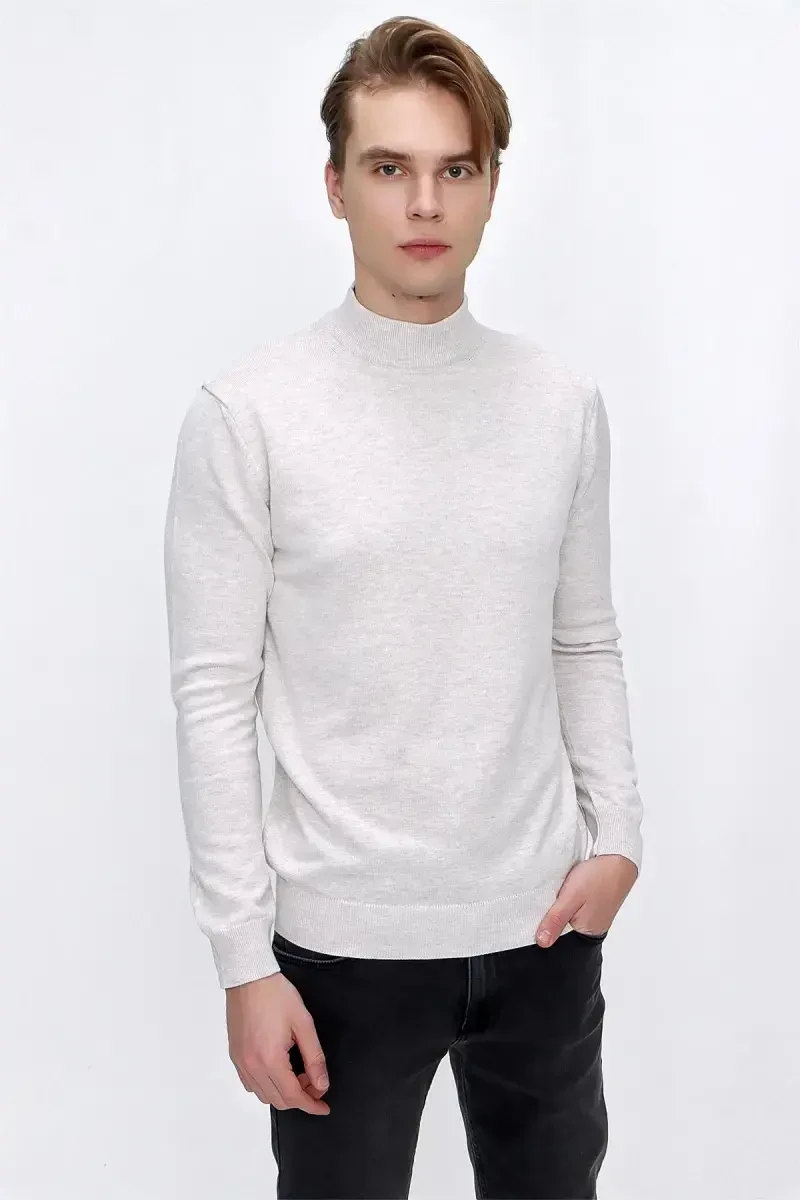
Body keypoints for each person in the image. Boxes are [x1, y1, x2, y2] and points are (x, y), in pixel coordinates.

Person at [163, 14, 643, 1199]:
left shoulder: (558, 403)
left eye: (454, 170)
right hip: (341, 954)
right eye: (388, 168)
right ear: (335, 186)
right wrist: (242, 962)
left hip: (542, 935)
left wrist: (616, 836)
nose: (424, 203)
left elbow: (581, 639)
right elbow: (214, 696)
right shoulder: (247, 415)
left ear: (489, 186)